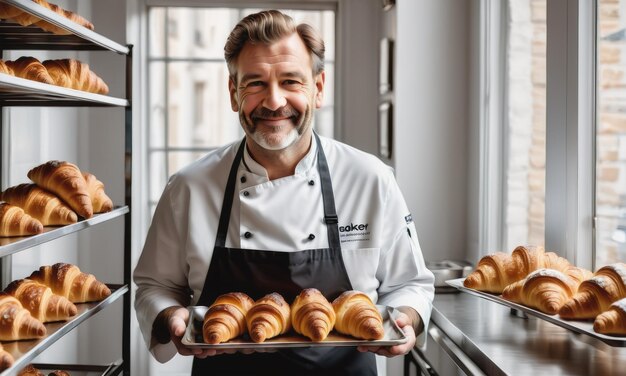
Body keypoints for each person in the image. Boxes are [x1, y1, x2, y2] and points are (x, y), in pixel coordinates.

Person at [134, 9, 434, 376]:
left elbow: (411, 284)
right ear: (233, 93)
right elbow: (155, 286)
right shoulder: (189, 187)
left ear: (318, 88)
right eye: (255, 83)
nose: (274, 102)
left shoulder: (370, 178)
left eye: (291, 81)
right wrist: (172, 317)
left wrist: (404, 321)